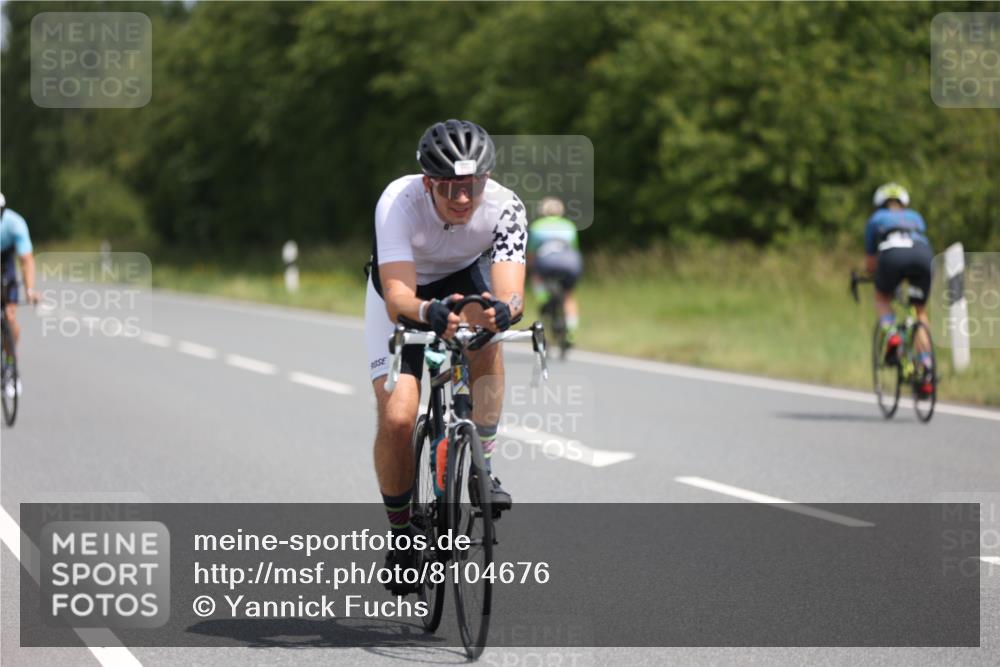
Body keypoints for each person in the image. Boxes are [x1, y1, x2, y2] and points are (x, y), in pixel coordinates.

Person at [365, 120, 527, 594]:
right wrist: (427, 312)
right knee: (397, 416)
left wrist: (503, 311)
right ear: (428, 183)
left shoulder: (506, 207)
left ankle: (485, 465)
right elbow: (397, 294)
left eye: (472, 185)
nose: (462, 198)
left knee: (488, 339)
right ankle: (401, 533)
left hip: (464, 276)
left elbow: (511, 295)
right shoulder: (398, 201)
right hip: (403, 291)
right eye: (451, 188)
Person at [864, 182, 934, 395]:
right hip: (923, 256)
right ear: (904, 203)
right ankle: (927, 368)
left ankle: (892, 334)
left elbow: (870, 263)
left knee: (882, 298)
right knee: (919, 310)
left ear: (880, 204)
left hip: (892, 256)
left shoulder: (876, 219)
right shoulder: (916, 216)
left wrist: (873, 275)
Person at [527, 196, 582, 343]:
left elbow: (531, 253)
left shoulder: (538, 225)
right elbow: (574, 248)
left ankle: (544, 299)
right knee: (569, 296)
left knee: (536, 277)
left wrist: (531, 268)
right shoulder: (569, 225)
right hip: (571, 262)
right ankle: (571, 332)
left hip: (547, 262)